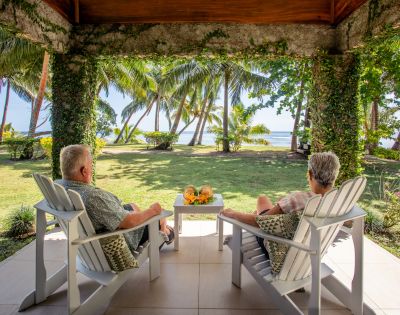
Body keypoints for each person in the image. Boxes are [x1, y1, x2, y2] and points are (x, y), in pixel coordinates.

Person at [56, 144, 174, 253]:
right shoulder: (93, 197)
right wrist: (153, 211)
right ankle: (166, 233)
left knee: (133, 206)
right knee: (160, 217)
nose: (92, 169)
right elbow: (129, 222)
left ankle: (164, 229)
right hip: (119, 239)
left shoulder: (61, 187)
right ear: (84, 171)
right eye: (91, 165)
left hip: (99, 230)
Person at [220, 151, 340, 257]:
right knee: (267, 205)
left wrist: (233, 214)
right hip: (311, 252)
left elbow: (259, 221)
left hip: (281, 249)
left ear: (310, 174)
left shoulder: (298, 199)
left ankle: (256, 212)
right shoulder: (337, 201)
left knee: (262, 199)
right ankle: (265, 210)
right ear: (334, 175)